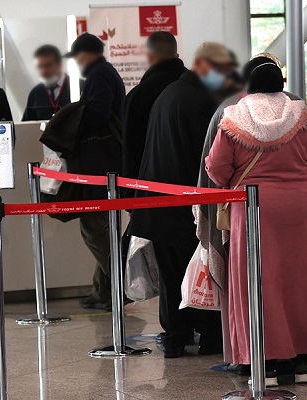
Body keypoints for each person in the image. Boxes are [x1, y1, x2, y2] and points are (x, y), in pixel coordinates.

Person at [206, 62, 307, 386]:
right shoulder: (303, 115)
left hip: (253, 210)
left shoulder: (233, 118)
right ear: (281, 83)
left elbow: (217, 169)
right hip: (301, 208)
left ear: (247, 85)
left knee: (258, 284)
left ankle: (266, 365)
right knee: (303, 283)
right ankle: (305, 363)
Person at [129, 42, 233, 358]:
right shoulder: (200, 100)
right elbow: (208, 159)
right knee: (201, 269)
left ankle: (175, 336)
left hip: (157, 203)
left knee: (173, 274)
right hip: (183, 203)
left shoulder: (170, 93)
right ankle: (211, 335)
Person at [195, 53, 296, 370]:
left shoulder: (229, 111)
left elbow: (212, 168)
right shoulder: (298, 108)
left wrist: (206, 212)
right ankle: (293, 355)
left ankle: (247, 355)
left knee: (244, 284)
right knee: (289, 282)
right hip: (296, 210)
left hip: (243, 209)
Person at [65, 33, 125, 310]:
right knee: (103, 228)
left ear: (87, 54)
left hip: (99, 165)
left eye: (78, 56)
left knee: (94, 230)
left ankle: (119, 283)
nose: (77, 62)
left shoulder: (99, 74)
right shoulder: (104, 72)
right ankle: (103, 291)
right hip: (107, 163)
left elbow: (98, 114)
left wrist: (72, 123)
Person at [122, 31, 187, 190]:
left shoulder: (137, 97)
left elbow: (132, 150)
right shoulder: (199, 89)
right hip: (195, 186)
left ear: (149, 56)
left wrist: (131, 200)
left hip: (153, 187)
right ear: (177, 56)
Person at [22, 44, 70, 121]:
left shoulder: (78, 87)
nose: (44, 71)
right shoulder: (36, 92)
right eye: (40, 66)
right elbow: (26, 125)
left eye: (48, 65)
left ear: (59, 65)